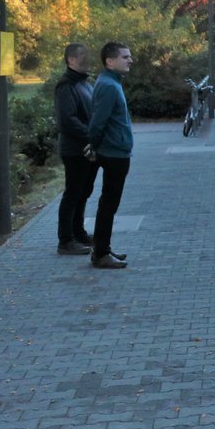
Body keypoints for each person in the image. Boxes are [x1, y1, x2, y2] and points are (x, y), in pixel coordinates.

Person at [86, 42, 134, 269]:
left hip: (116, 150)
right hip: (114, 153)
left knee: (108, 204)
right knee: (108, 205)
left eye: (129, 56)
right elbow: (99, 120)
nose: (130, 60)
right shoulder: (108, 85)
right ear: (110, 61)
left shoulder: (110, 82)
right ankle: (101, 253)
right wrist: (93, 146)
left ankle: (102, 249)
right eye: (125, 57)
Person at [53, 43, 99, 255]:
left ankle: (79, 233)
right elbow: (68, 120)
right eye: (81, 55)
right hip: (74, 150)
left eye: (87, 54)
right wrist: (91, 136)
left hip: (89, 148)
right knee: (73, 193)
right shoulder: (65, 86)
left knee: (83, 192)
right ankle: (65, 240)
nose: (86, 58)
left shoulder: (85, 83)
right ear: (70, 59)